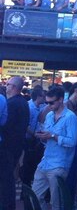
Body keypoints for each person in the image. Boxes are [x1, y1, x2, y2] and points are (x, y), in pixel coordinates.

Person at [32, 87, 77, 210]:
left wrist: (52, 136)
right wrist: (43, 136)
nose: (49, 105)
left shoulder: (70, 117)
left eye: (51, 102)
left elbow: (72, 141)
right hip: (46, 161)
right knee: (35, 196)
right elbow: (47, 135)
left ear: (61, 100)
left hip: (59, 164)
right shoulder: (49, 115)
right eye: (47, 102)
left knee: (56, 202)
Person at [1, 76, 29, 210]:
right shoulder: (22, 102)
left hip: (8, 147)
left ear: (13, 87)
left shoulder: (11, 104)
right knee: (8, 179)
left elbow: (5, 124)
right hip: (16, 146)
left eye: (8, 84)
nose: (6, 86)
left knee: (5, 180)